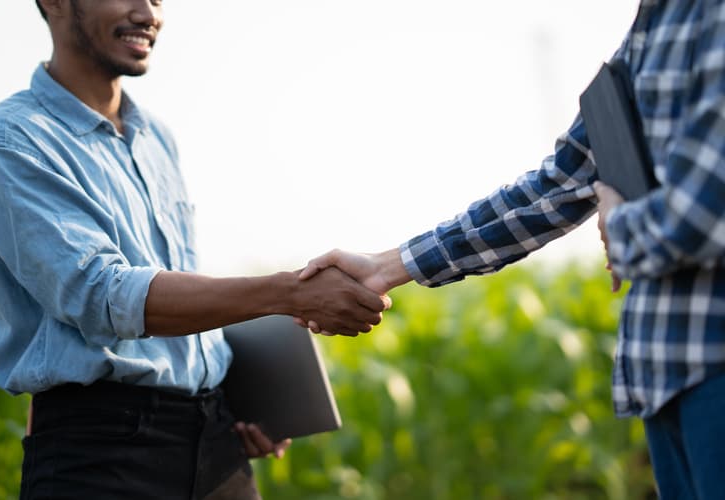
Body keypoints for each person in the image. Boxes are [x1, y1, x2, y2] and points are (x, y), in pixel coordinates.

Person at [0, 0, 389, 498]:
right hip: (103, 459)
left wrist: (239, 400)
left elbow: (174, 289)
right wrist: (291, 293)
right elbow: (103, 296)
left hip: (217, 443)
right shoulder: (8, 144)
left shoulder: (156, 137)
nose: (147, 12)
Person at [299, 1, 725, 497]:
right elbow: (563, 181)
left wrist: (620, 225)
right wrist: (388, 266)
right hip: (663, 378)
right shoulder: (655, 22)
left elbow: (703, 212)